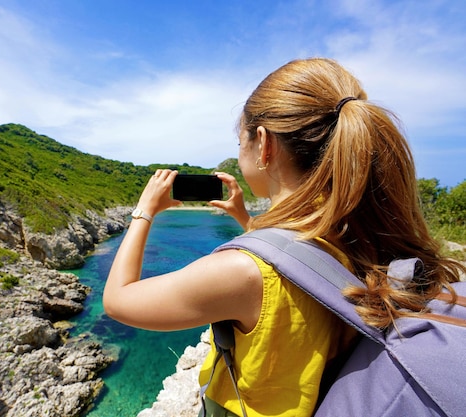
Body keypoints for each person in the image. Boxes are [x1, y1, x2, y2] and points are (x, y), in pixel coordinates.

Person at [102, 58, 465, 417]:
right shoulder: (355, 232)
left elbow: (119, 301)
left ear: (263, 144)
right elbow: (298, 263)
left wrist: (144, 211)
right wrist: (247, 220)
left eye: (239, 141)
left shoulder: (242, 271)